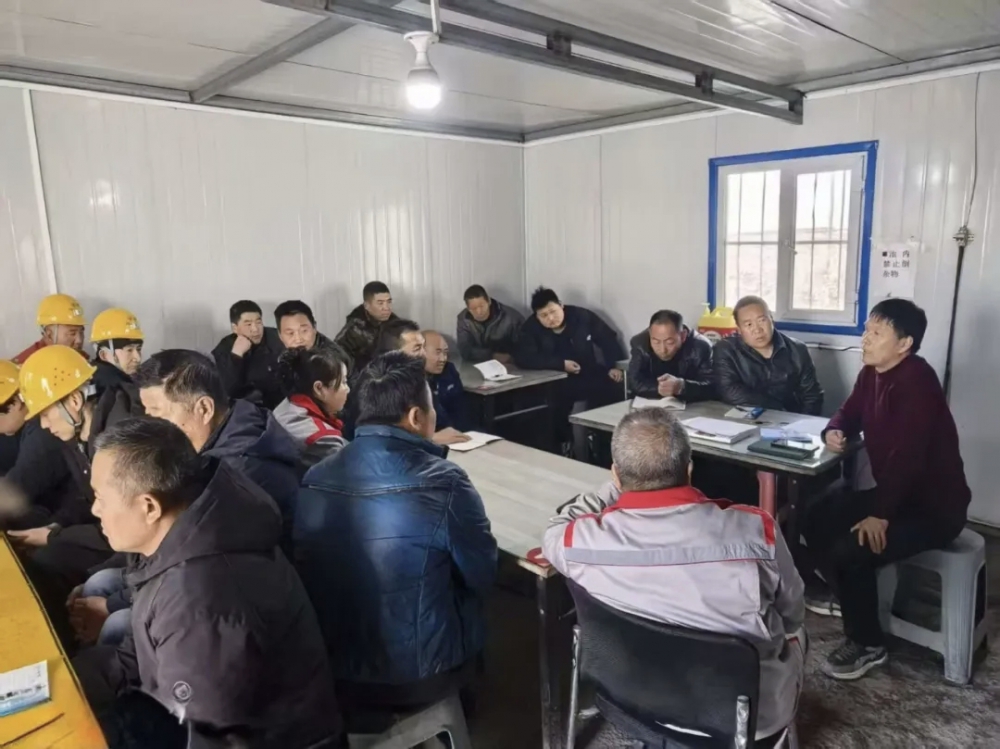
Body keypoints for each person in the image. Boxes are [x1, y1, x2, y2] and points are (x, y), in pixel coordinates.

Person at [72, 418, 342, 749]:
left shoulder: (199, 601)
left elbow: (203, 736)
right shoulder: (180, 538)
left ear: (149, 507)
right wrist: (71, 682)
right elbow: (137, 656)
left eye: (100, 497)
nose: (95, 509)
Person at [542, 408, 805, 741]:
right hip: (743, 723)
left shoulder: (580, 542)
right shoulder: (757, 532)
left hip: (632, 698)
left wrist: (615, 487)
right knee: (796, 634)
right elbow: (793, 614)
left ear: (616, 476)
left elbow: (554, 531)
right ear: (689, 470)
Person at [295, 352, 497, 712]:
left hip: (336, 668)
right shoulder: (445, 482)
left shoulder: (315, 476)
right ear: (417, 417)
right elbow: (482, 575)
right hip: (419, 674)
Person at [71, 350, 305, 653]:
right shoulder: (224, 431)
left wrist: (111, 605)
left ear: (204, 409)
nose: (150, 424)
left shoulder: (237, 474)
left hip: (241, 601)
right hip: (193, 573)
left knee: (117, 624)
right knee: (101, 581)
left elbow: (188, 562)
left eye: (158, 412)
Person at [801, 299, 970, 681]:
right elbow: (848, 411)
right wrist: (834, 430)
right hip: (896, 496)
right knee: (816, 514)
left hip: (933, 509)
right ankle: (850, 598)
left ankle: (867, 644)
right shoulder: (871, 373)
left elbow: (907, 459)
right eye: (866, 330)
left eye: (877, 333)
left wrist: (880, 514)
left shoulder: (917, 383)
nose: (866, 339)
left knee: (852, 548)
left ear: (904, 343)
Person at [516, 287, 625, 457]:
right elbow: (524, 357)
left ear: (561, 305)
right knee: (550, 405)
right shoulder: (531, 328)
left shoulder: (581, 316)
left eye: (553, 311)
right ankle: (564, 448)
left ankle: (604, 447)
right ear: (537, 316)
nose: (550, 318)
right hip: (556, 379)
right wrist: (560, 364)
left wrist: (614, 365)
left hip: (588, 372)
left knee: (613, 388)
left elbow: (608, 338)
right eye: (544, 315)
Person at [0, 359, 81, 532]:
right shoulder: (23, 428)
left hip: (65, 520)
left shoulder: (44, 430)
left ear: (15, 403)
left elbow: (17, 489)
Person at [712, 295, 823, 415]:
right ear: (739, 328)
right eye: (749, 324)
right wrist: (777, 409)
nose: (757, 330)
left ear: (771, 319)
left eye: (762, 320)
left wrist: (803, 422)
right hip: (741, 418)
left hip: (791, 419)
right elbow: (729, 391)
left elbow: (812, 396)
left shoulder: (797, 349)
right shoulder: (726, 349)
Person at [274, 344, 351, 467]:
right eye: (343, 382)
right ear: (319, 388)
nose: (348, 389)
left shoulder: (286, 405)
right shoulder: (325, 440)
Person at [212, 300, 287, 410]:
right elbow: (226, 390)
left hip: (280, 405)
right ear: (235, 328)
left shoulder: (277, 338)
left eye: (258, 322)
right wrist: (236, 356)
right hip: (243, 408)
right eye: (248, 324)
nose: (255, 329)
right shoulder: (225, 348)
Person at [627, 309, 714, 402]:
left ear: (683, 336)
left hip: (692, 404)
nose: (662, 350)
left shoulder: (701, 346)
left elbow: (711, 386)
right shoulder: (640, 343)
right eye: (656, 342)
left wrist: (682, 386)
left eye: (669, 342)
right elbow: (633, 382)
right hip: (651, 403)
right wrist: (659, 388)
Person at [89, 308, 146, 434]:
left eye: (138, 349)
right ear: (104, 355)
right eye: (129, 350)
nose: (137, 357)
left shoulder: (93, 378)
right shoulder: (115, 388)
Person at [335, 281, 399, 371]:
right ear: (366, 305)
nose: (386, 308)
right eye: (380, 303)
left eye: (389, 302)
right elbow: (335, 356)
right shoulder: (354, 329)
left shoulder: (395, 323)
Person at [456, 285, 524, 364]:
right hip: (476, 365)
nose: (479, 312)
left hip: (509, 364)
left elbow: (525, 347)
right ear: (468, 309)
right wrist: (492, 355)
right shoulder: (464, 319)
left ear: (489, 301)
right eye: (474, 308)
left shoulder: (512, 317)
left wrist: (511, 357)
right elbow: (465, 349)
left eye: (482, 306)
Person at [14, 293, 87, 364]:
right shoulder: (28, 366)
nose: (79, 340)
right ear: (49, 335)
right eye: (72, 333)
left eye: (81, 332)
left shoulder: (80, 358)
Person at [423, 330, 469, 433]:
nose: (443, 359)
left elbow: (460, 409)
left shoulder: (449, 371)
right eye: (438, 352)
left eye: (445, 353)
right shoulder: (410, 381)